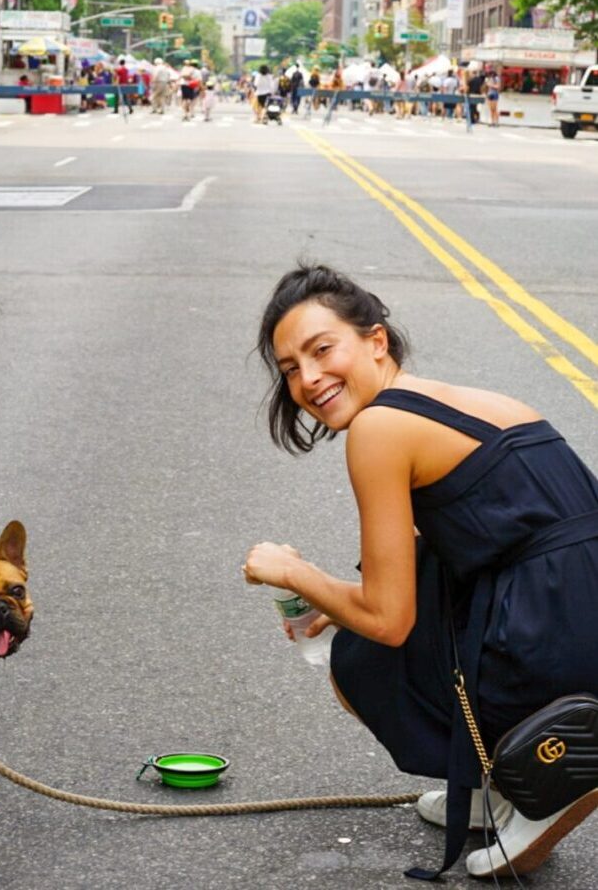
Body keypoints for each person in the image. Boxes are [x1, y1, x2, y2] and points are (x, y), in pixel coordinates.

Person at [245, 263, 598, 881]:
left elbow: (387, 619)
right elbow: (458, 550)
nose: (309, 379)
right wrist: (340, 593)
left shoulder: (379, 429)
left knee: (359, 657)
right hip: (577, 615)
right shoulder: (465, 401)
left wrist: (293, 573)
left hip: (560, 641)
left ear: (376, 340)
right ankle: (510, 780)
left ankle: (553, 771)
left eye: (322, 350)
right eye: (290, 369)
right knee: (382, 617)